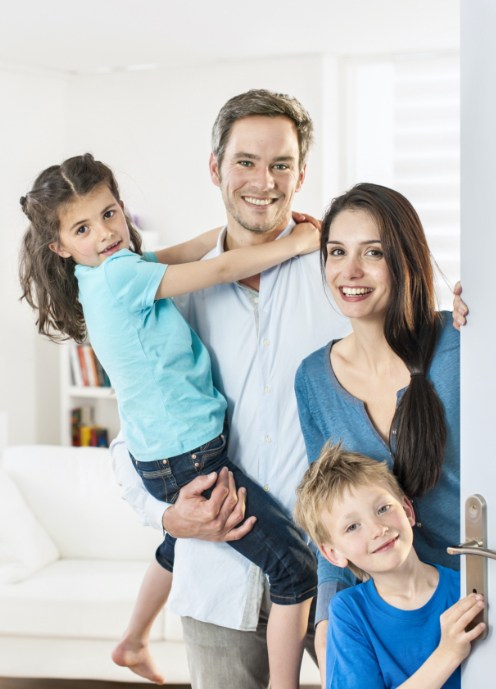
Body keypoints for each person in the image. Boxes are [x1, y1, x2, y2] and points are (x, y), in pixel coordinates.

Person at [18, 152, 323, 689]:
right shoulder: (118, 281)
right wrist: (296, 244)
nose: (107, 233)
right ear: (60, 247)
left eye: (111, 214)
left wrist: (235, 231)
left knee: (179, 542)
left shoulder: (112, 271)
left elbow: (192, 250)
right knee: (294, 568)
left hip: (168, 454)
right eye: (83, 228)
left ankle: (133, 639)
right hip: (190, 456)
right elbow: (218, 268)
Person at [110, 89, 352, 689]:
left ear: (301, 173)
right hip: (217, 582)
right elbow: (133, 437)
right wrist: (168, 516)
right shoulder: (170, 298)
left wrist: (459, 307)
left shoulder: (338, 274)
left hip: (339, 575)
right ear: (215, 167)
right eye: (245, 161)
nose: (263, 181)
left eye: (280, 164)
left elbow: (420, 322)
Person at [294, 182, 461, 681]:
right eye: (337, 252)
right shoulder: (313, 379)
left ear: (405, 259)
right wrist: (324, 616)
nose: (351, 272)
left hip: (469, 597)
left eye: (374, 253)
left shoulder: (461, 342)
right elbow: (328, 508)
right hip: (387, 616)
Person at [294, 443, 485, 689]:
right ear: (333, 554)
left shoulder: (468, 590)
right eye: (353, 526)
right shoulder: (349, 612)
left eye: (383, 509)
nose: (377, 529)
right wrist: (447, 654)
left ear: (407, 511)